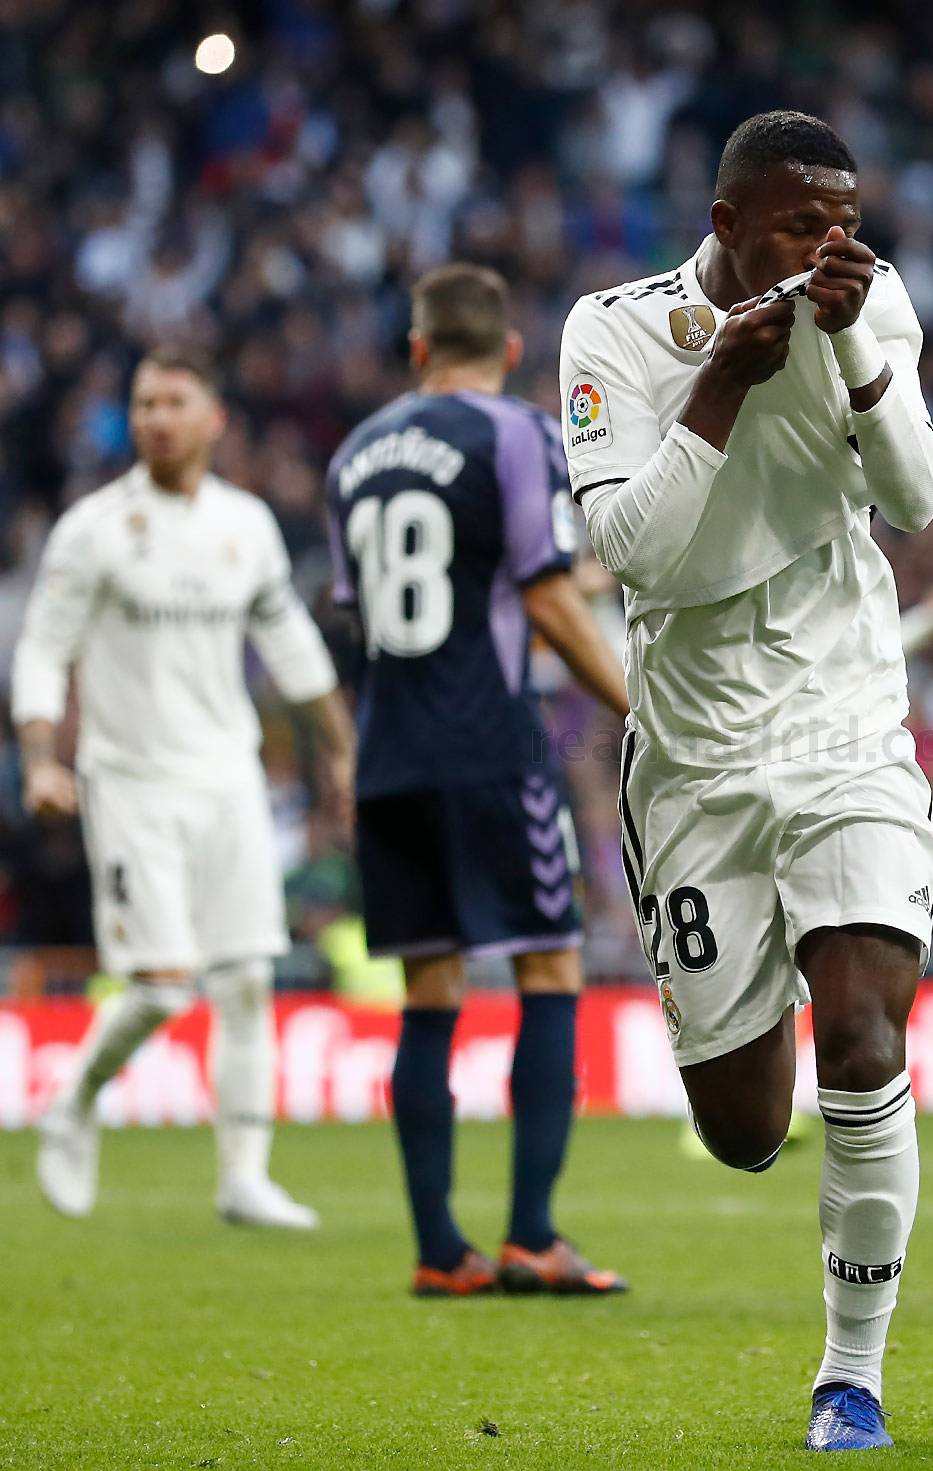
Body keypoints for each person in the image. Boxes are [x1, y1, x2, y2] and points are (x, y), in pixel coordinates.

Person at [559, 111, 933, 1451]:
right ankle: (759, 977)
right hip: (696, 751)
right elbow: (640, 559)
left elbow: (919, 496)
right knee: (743, 1129)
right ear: (727, 226)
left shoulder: (872, 298)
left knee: (862, 1037)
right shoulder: (610, 331)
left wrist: (847, 344)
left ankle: (853, 1378)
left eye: (844, 220)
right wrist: (722, 377)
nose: (830, 245)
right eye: (799, 223)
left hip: (844, 714)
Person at [327, 264, 631, 1298]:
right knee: (549, 964)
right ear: (507, 352)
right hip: (492, 746)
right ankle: (533, 1236)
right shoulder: (517, 433)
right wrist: (640, 703)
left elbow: (392, 601)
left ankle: (437, 1247)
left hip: (390, 756)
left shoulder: (356, 452)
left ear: (415, 351)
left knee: (429, 987)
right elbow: (540, 599)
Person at [16, 345, 354, 1229]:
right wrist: (40, 754)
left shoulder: (245, 525)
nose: (157, 417)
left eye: (174, 401)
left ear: (214, 420)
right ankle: (73, 1101)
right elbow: (44, 649)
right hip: (130, 779)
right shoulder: (92, 528)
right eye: (144, 402)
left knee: (245, 979)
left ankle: (244, 1176)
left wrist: (341, 749)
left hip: (227, 776)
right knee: (164, 985)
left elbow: (291, 647)